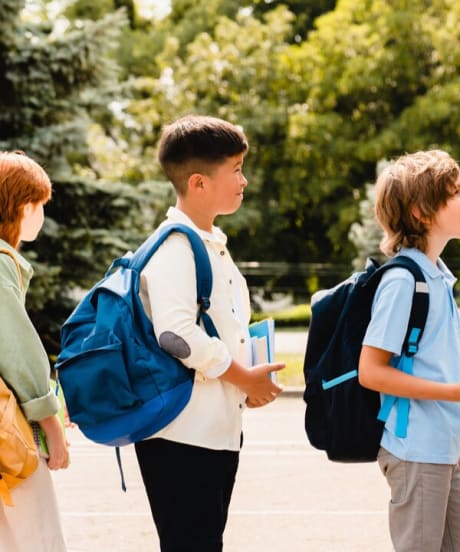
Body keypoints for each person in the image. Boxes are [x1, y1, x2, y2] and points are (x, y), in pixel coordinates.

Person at [135, 115, 283, 551]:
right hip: (181, 437)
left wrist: (247, 385)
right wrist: (243, 378)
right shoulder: (176, 247)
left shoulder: (208, 243)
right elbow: (176, 334)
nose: (244, 180)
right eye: (236, 169)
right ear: (198, 182)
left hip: (212, 433)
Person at [358, 149, 460, 551]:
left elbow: (432, 371)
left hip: (439, 451)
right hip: (415, 453)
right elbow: (371, 372)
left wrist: (459, 451)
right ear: (422, 214)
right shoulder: (403, 281)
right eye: (457, 192)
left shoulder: (437, 277)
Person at [0, 151, 68, 551]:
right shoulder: (3, 263)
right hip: (10, 432)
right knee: (37, 537)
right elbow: (18, 350)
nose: (41, 213)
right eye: (40, 204)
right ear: (23, 205)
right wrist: (51, 423)